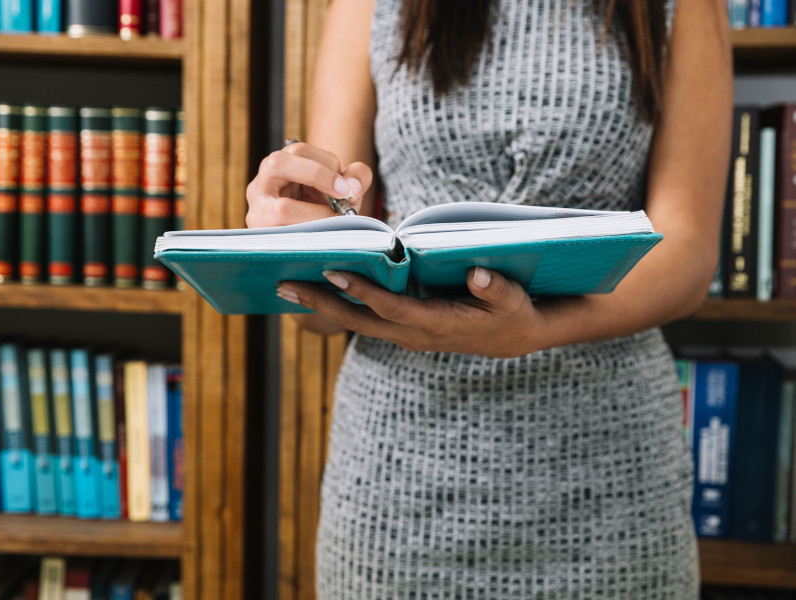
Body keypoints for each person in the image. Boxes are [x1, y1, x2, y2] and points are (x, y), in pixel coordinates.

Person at [247, 0, 732, 597]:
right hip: (395, 479)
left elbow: (689, 253)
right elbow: (318, 316)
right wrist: (292, 240)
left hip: (611, 477)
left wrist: (537, 332)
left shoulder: (682, 9)